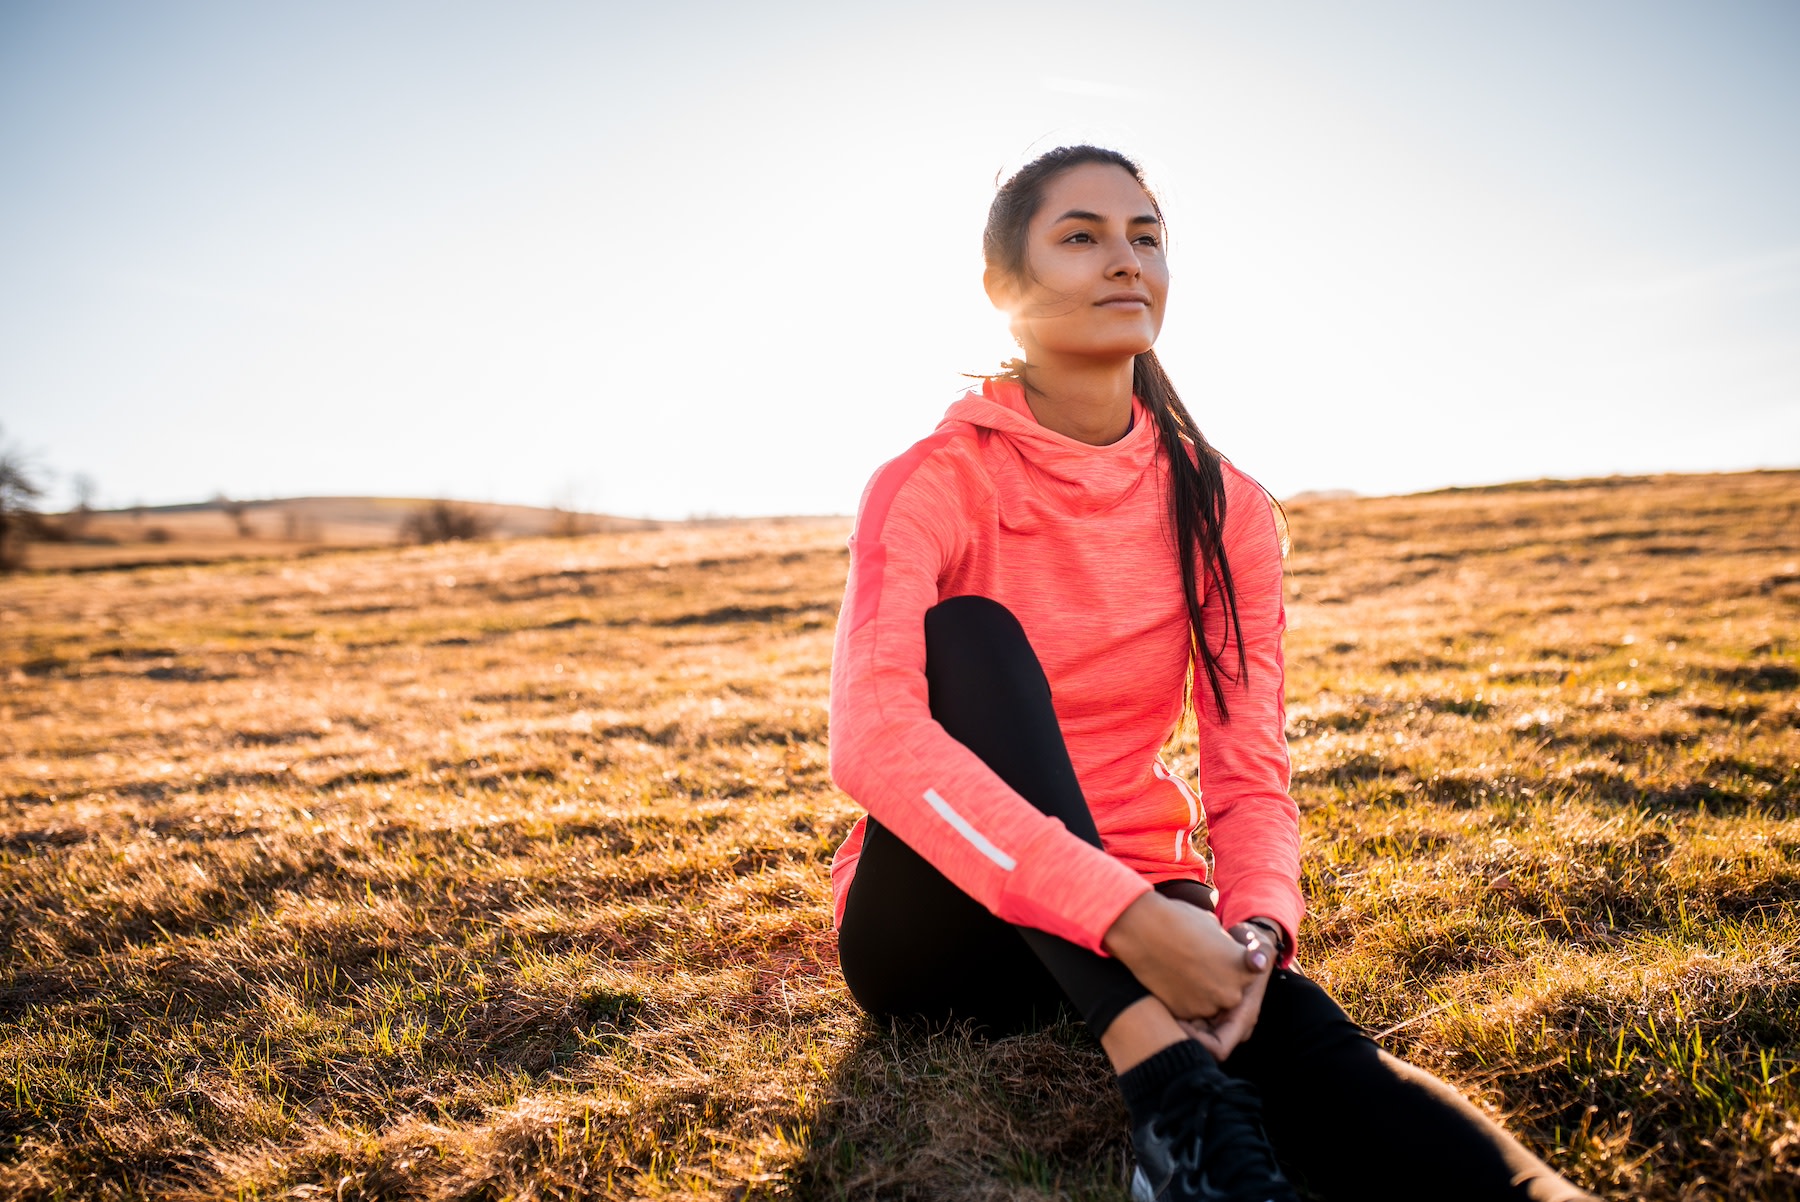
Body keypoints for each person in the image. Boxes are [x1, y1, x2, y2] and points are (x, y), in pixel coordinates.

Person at [824, 144, 1597, 1202]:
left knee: (1308, 1036)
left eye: (1146, 236)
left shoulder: (1220, 501)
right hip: (941, 928)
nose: (1125, 260)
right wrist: (1132, 921)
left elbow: (1248, 761)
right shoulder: (932, 482)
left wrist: (1258, 927)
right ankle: (1171, 1093)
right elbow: (873, 739)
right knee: (970, 638)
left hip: (1152, 888)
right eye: (1082, 235)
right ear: (1004, 287)